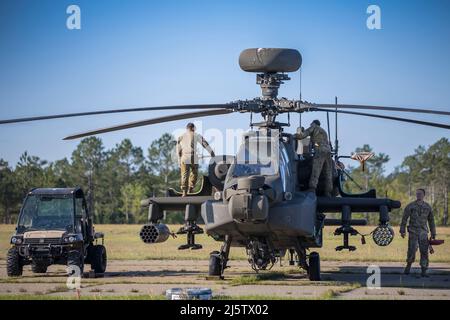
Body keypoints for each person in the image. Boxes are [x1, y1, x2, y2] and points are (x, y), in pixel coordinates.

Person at [400, 188, 436, 277]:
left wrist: (433, 233)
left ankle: (424, 270)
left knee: (424, 251)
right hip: (413, 231)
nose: (418, 195)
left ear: (424, 195)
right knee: (412, 250)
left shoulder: (428, 207)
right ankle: (408, 266)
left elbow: (431, 221)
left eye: (420, 194)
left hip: (423, 233)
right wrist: (402, 230)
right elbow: (404, 218)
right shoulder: (410, 206)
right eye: (417, 194)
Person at [294, 119, 333, 196]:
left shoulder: (314, 127)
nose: (310, 124)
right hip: (328, 151)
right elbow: (320, 142)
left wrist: (294, 136)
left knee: (316, 170)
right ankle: (328, 192)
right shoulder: (323, 131)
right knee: (328, 172)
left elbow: (303, 135)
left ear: (314, 123)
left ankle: (312, 189)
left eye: (311, 123)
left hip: (320, 151)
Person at [176, 123, 215, 197]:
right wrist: (211, 152)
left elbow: (178, 151)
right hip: (193, 156)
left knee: (184, 174)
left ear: (186, 128)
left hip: (184, 157)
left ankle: (184, 192)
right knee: (194, 172)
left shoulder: (180, 137)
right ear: (193, 128)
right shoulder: (196, 135)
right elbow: (204, 143)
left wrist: (179, 161)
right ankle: (190, 187)